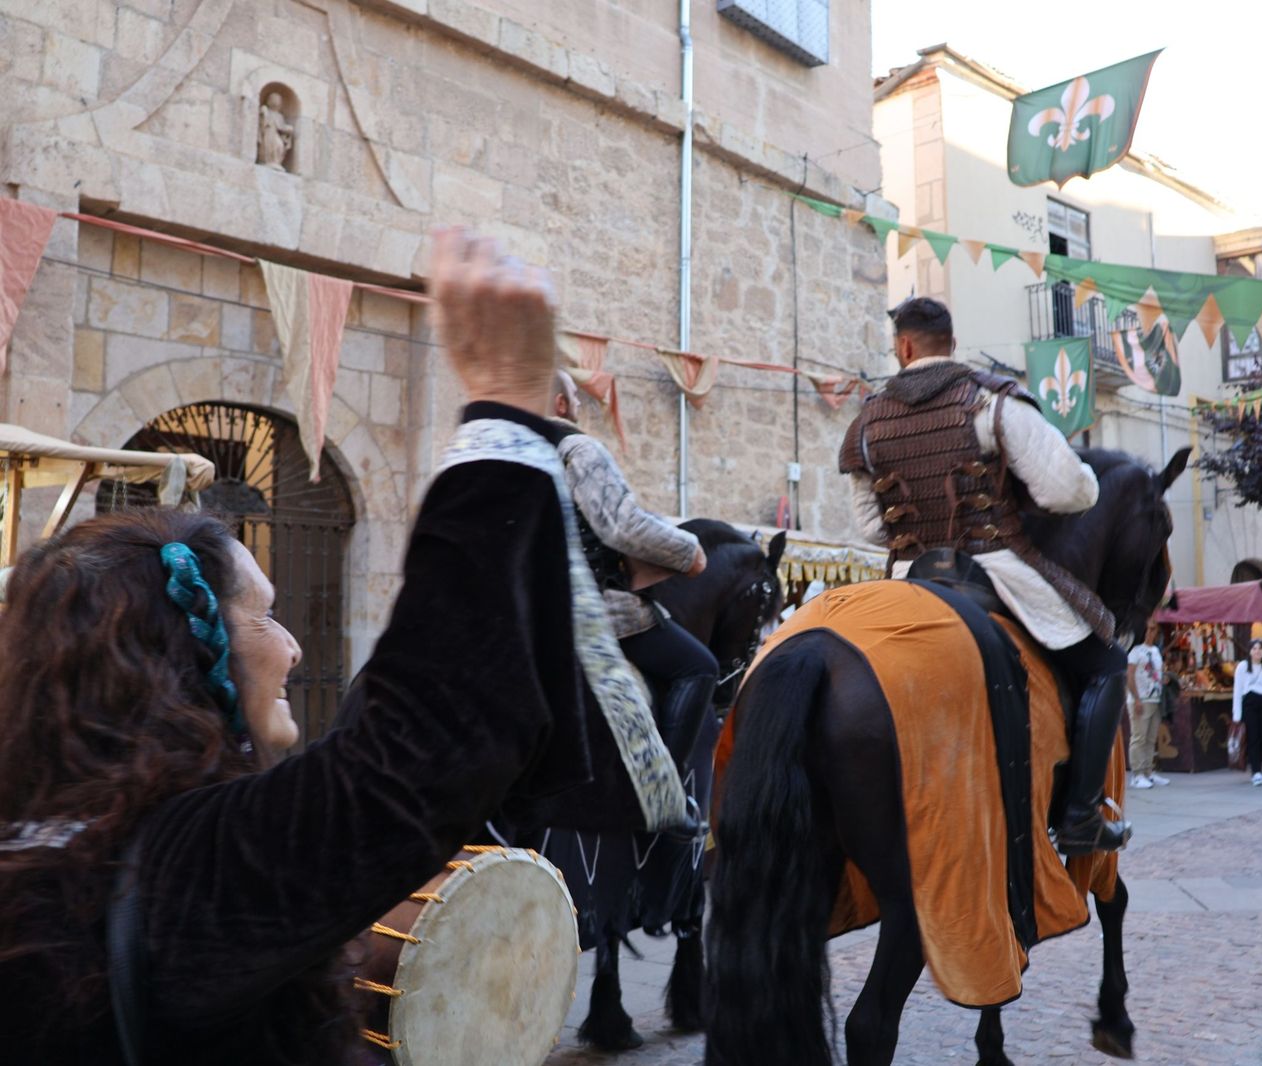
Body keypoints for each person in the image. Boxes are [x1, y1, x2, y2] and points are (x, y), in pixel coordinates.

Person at [0, 229, 684, 1064]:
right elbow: (428, 743)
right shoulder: (187, 873)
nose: (291, 647)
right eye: (261, 616)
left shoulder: (41, 848)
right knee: (693, 668)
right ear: (179, 654)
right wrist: (506, 408)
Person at [839, 296, 1126, 856]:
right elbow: (1070, 490)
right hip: (993, 570)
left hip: (905, 580)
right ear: (950, 341)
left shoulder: (867, 421)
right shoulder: (989, 400)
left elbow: (872, 527)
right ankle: (1079, 817)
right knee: (1106, 663)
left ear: (902, 347)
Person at [548, 370, 715, 775]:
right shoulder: (577, 449)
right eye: (576, 396)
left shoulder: (512, 456)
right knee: (700, 667)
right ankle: (665, 789)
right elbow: (621, 524)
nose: (581, 404)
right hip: (593, 613)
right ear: (560, 405)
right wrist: (689, 551)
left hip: (531, 611)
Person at [1126, 623, 1169, 789]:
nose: (1151, 633)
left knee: (1151, 738)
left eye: (1154, 630)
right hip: (1141, 699)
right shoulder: (1135, 651)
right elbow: (1129, 675)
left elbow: (1158, 672)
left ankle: (1148, 771)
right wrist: (1136, 698)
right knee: (1139, 737)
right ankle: (1137, 774)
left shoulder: (1156, 651)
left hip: (1155, 699)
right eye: (1148, 629)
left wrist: (1163, 679)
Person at [1233, 638, 1262, 786]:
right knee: (1253, 737)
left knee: (1261, 737)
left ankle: (1260, 770)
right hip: (1249, 704)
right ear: (1250, 651)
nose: (1257, 651)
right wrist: (1236, 714)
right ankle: (1255, 772)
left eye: (1260, 648)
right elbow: (1237, 691)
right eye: (1254, 648)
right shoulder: (1243, 667)